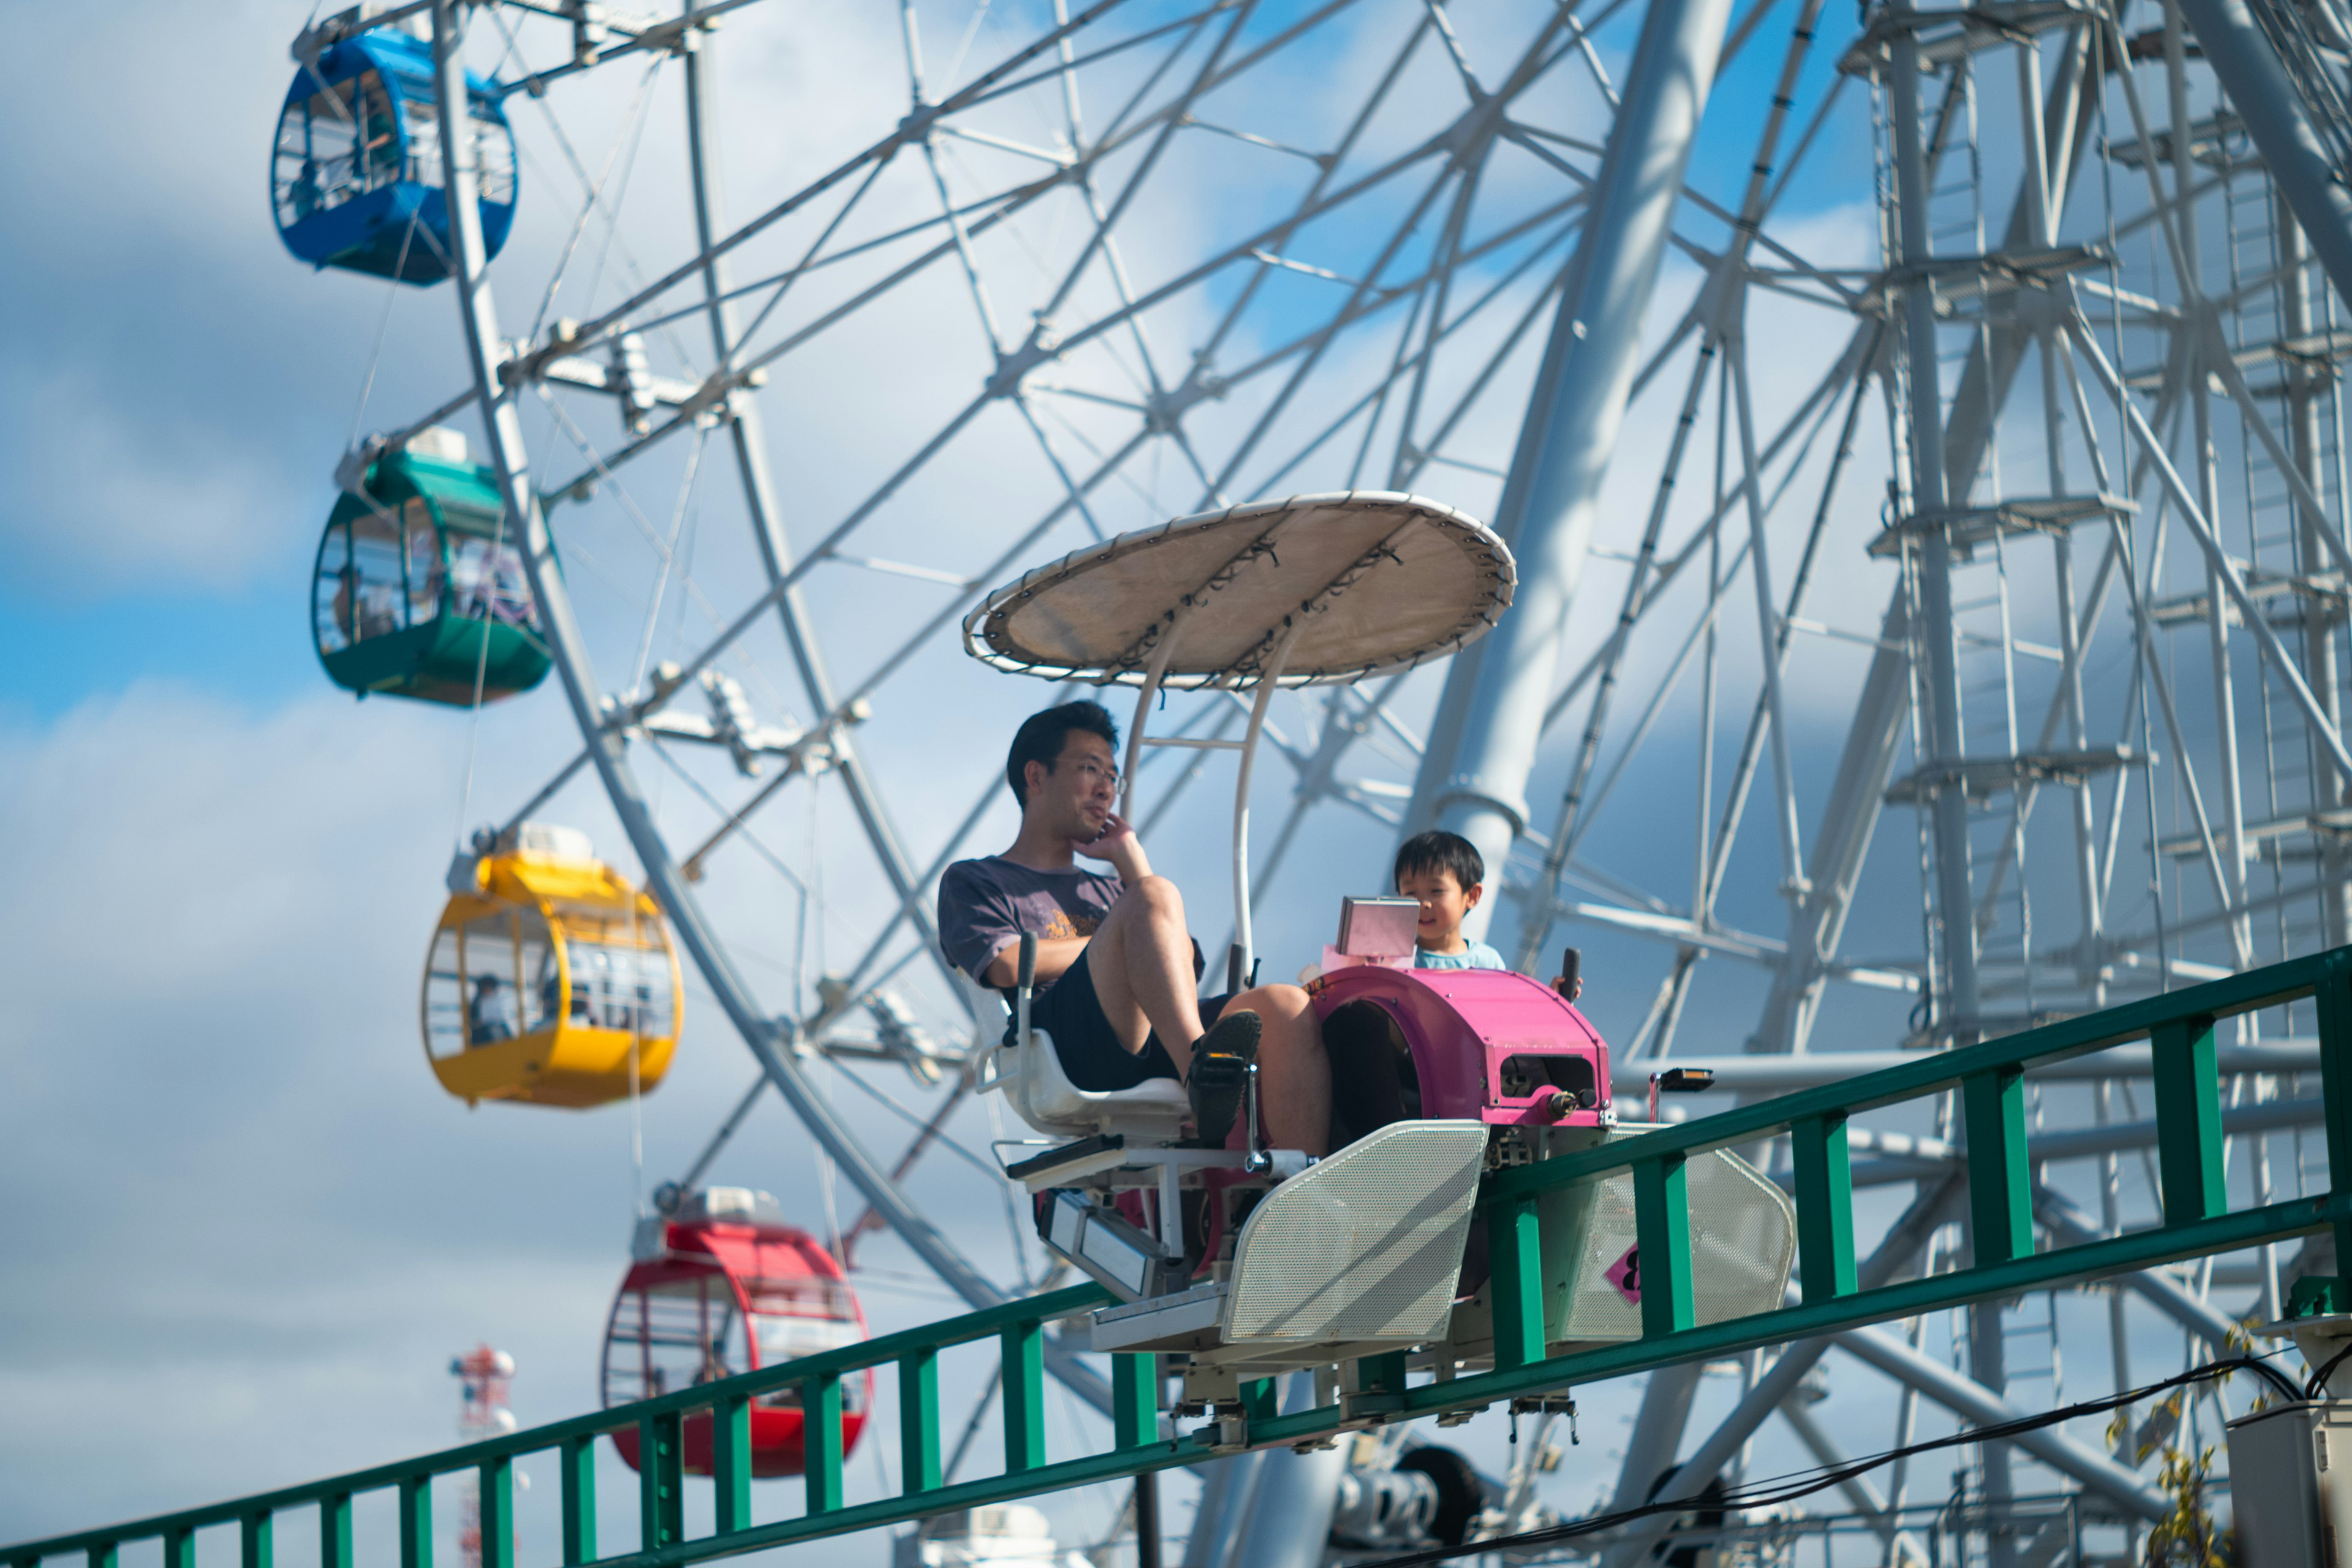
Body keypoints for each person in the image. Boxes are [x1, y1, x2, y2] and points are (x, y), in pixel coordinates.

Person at [938, 701, 1330, 1156]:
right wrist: (1120, 940)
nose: (1105, 788)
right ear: (1036, 777)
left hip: (1151, 1038)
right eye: (1090, 769)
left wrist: (1131, 861)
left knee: (1284, 1005)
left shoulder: (1113, 890)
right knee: (1151, 897)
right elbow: (1005, 964)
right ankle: (1199, 1073)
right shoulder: (976, 880)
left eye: (1112, 776)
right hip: (1062, 1050)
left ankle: (1300, 1195)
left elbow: (1182, 963)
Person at [1395, 831, 1509, 971]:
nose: (1423, 903)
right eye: (1410, 893)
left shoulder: (1488, 963)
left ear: (1472, 896)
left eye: (1436, 891)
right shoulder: (1393, 960)